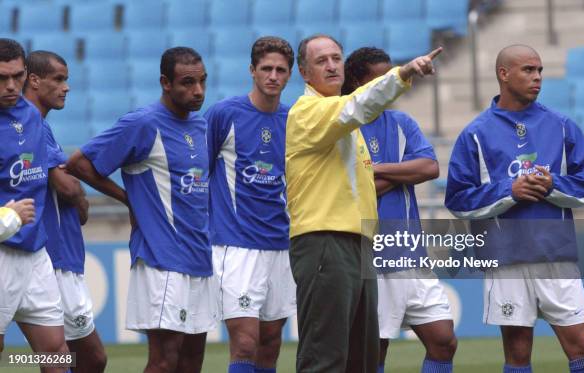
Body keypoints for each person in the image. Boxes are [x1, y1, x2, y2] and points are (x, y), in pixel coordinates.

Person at [285, 33, 442, 372]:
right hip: (324, 241)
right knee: (325, 357)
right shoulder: (308, 111)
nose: (331, 66)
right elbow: (357, 104)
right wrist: (402, 73)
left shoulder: (346, 125)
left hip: (358, 243)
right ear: (304, 72)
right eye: (320, 61)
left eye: (336, 58)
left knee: (363, 357)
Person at [445, 44, 584, 373]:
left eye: (540, 71)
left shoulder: (561, 125)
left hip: (555, 256)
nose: (537, 78)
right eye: (528, 70)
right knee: (517, 353)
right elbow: (458, 200)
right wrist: (510, 190)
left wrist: (553, 186)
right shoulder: (474, 134)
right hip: (506, 259)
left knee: (582, 345)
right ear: (503, 74)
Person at [67, 47, 217, 373]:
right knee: (165, 361)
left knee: (192, 360)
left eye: (203, 82)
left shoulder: (201, 126)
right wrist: (127, 198)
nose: (198, 91)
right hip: (161, 258)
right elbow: (79, 163)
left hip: (200, 258)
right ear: (165, 82)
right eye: (188, 83)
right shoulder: (143, 123)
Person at [342, 47, 457, 373]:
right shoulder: (343, 127)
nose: (389, 85)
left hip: (411, 255)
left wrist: (376, 170)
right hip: (371, 258)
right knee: (372, 353)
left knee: (443, 340)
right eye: (380, 79)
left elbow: (430, 168)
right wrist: (401, 172)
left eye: (391, 77)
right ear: (356, 81)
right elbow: (354, 191)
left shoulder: (401, 122)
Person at [204, 37, 295, 373]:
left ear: (289, 75)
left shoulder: (294, 120)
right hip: (236, 245)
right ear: (252, 71)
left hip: (281, 246)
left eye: (280, 70)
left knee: (270, 343)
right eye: (266, 68)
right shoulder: (223, 114)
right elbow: (200, 170)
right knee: (245, 343)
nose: (273, 76)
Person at [24, 50, 107, 373]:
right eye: (58, 79)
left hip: (60, 255)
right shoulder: (33, 126)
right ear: (34, 80)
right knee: (88, 358)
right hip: (54, 258)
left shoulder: (37, 126)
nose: (66, 87)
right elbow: (69, 188)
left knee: (58, 357)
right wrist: (81, 198)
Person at [0, 38, 70, 373]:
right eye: (1, 78)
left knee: (56, 353)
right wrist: (7, 217)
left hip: (34, 252)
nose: (11, 86)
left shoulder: (31, 115)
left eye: (17, 76)